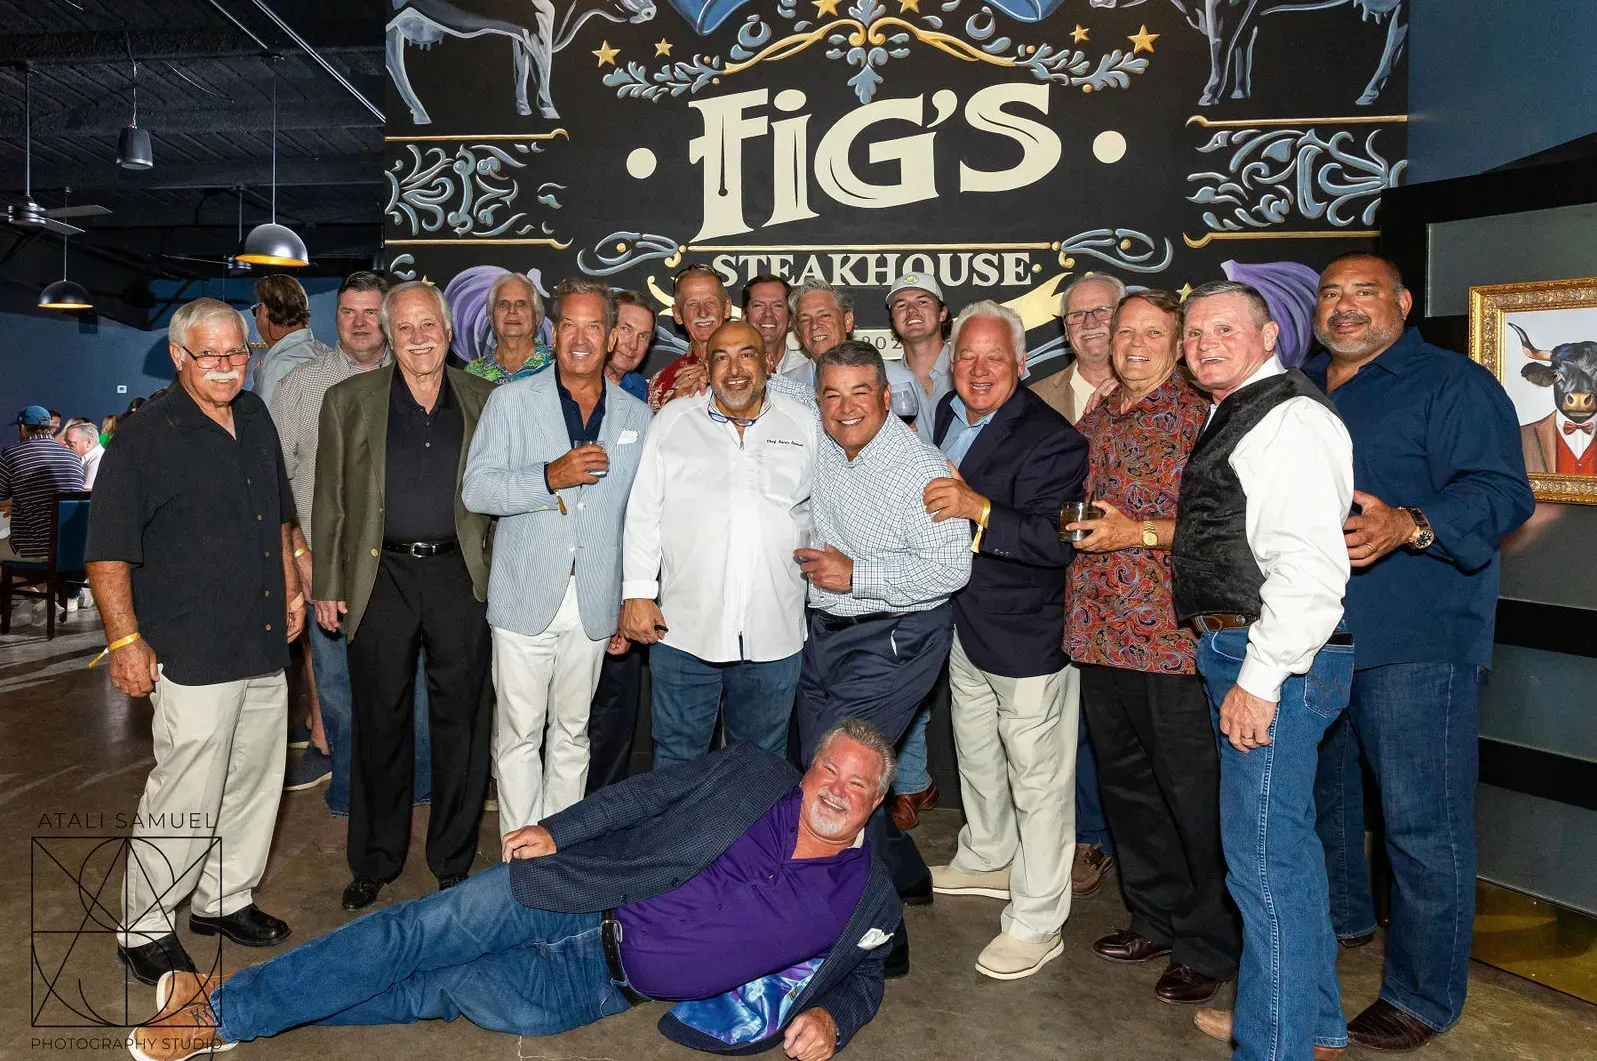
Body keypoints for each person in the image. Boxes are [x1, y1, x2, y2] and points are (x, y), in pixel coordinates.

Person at [128, 721, 901, 1061]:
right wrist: (560, 830)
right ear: (808, 769)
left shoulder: (865, 895)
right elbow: (644, 795)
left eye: (855, 784)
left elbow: (867, 971)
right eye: (827, 770)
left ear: (875, 802)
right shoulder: (754, 775)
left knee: (426, 991)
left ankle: (224, 1002)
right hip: (580, 893)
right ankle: (221, 1013)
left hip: (596, 986)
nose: (835, 789)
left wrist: (837, 1015)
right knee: (411, 935)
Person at [1302, 254, 1533, 1051]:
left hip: (1414, 637)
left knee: (1419, 824)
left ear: (1401, 302)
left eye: (1364, 292)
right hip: (1310, 633)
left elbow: (1504, 491)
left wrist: (1410, 523)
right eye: (1331, 293)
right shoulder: (1298, 389)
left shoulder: (1451, 383)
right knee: (1321, 808)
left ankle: (1423, 995)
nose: (1345, 307)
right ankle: (1339, 927)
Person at [85, 297, 301, 985]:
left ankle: (223, 898)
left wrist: (294, 587)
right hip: (193, 645)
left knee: (253, 781)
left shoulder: (257, 416)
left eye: (237, 352)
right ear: (179, 356)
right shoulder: (146, 437)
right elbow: (107, 552)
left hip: (264, 635)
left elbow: (280, 517)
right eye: (210, 354)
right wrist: (124, 642)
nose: (227, 366)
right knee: (185, 791)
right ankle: (144, 925)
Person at [1172, 281, 1355, 1061]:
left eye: (1222, 328)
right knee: (1286, 851)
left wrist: (1260, 675)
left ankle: (1271, 1044)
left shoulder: (1289, 418)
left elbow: (1310, 569)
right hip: (1250, 652)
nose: (1203, 342)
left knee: (1262, 867)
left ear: (1268, 332)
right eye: (1192, 332)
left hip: (1269, 657)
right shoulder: (1243, 410)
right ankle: (1304, 1019)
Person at [1065, 290, 1241, 1005]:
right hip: (1100, 634)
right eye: (1124, 331)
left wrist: (1133, 532)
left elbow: (1228, 523)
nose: (1134, 342)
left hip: (1170, 640)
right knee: (1127, 792)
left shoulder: (1202, 416)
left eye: (1151, 333)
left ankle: (1209, 942)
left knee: (1190, 797)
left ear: (1176, 344)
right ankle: (1154, 916)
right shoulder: (1099, 412)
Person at [313, 281, 496, 910]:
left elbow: (499, 500)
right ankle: (375, 859)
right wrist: (327, 585)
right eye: (406, 327)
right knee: (378, 720)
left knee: (462, 725)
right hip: (379, 577)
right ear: (389, 337)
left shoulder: (484, 397)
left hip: (459, 578)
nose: (419, 337)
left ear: (449, 331)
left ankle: (450, 858)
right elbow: (330, 499)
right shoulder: (348, 400)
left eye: (430, 325)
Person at [923, 301, 1087, 980]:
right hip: (962, 619)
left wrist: (979, 509)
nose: (979, 369)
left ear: (1022, 365)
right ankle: (987, 853)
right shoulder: (944, 416)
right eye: (966, 356)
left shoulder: (1055, 439)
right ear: (949, 363)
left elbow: (1056, 541)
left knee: (1038, 779)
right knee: (976, 751)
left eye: (995, 357)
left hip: (1025, 633)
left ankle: (1038, 919)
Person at [795, 340, 972, 968]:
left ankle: (878, 941)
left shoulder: (922, 470)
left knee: (837, 777)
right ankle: (906, 875)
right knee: (822, 766)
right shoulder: (823, 446)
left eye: (860, 393)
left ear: (887, 397)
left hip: (896, 637)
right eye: (831, 394)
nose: (845, 408)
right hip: (828, 633)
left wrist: (857, 573)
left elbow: (950, 569)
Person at [462, 278, 652, 835]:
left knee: (572, 735)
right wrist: (549, 477)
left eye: (593, 325)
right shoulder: (510, 401)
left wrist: (626, 599)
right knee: (517, 736)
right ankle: (518, 859)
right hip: (524, 597)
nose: (580, 337)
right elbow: (477, 491)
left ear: (613, 334)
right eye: (568, 324)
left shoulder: (635, 418)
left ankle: (558, 850)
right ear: (554, 330)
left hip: (593, 603)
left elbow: (638, 520)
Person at [269, 272, 435, 809]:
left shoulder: (419, 376)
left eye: (370, 312)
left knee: (412, 685)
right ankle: (353, 789)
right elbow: (275, 481)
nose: (360, 323)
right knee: (339, 689)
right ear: (333, 317)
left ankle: (415, 787)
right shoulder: (302, 385)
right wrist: (299, 559)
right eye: (349, 312)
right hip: (329, 566)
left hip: (401, 566)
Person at [621, 321, 815, 767]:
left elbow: (823, 511)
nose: (734, 369)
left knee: (760, 766)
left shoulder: (802, 424)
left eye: (746, 354)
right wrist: (637, 593)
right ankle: (680, 841)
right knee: (677, 760)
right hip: (685, 630)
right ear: (705, 367)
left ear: (767, 362)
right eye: (721, 358)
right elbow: (643, 511)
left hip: (775, 631)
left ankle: (747, 841)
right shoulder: (672, 421)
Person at [1030, 273, 1126, 898]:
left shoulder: (1174, 391)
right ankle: (1089, 835)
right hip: (1062, 585)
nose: (1088, 324)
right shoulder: (1037, 396)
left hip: (1145, 587)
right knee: (1080, 721)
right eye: (1075, 317)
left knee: (1137, 730)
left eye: (1101, 313)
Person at [881, 272, 953, 828]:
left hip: (971, 523)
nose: (911, 311)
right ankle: (908, 782)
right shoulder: (882, 376)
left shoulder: (974, 362)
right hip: (903, 530)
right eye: (900, 304)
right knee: (908, 656)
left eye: (922, 301)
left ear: (943, 312)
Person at [582, 286, 657, 793]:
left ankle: (601, 809)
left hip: (622, 567)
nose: (632, 342)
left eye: (645, 335)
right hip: (563, 574)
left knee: (613, 707)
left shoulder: (643, 395)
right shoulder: (556, 390)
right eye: (625, 328)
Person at [1, 406, 86, 563]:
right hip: (74, 548)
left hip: (34, 548)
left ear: (23, 427)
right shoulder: (73, 456)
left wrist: (17, 502)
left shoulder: (11, 454)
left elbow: (1, 495)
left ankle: (24, 587)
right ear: (50, 427)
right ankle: (34, 587)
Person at [647, 264, 730, 411]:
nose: (702, 313)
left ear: (727, 308)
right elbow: (655, 433)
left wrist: (716, 375)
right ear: (677, 314)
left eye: (710, 302)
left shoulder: (755, 368)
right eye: (692, 304)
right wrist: (676, 401)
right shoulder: (661, 382)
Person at [249, 275, 333, 406]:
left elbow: (265, 425)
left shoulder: (278, 368)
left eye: (255, 310)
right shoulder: (328, 354)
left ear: (264, 311)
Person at [464, 271, 553, 384]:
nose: (512, 310)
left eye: (521, 304)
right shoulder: (472, 373)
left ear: (537, 315)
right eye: (503, 304)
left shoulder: (557, 365)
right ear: (491, 316)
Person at [742, 273, 801, 375]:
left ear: (791, 318)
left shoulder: (811, 373)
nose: (768, 314)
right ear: (744, 316)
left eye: (777, 305)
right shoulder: (730, 372)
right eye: (758, 305)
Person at [605, 289, 655, 401]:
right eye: (625, 329)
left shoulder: (645, 393)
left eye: (643, 336)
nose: (633, 345)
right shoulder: (570, 381)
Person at [63, 420, 104, 489]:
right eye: (66, 443)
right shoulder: (88, 457)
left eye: (71, 444)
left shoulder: (98, 458)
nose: (66, 447)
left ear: (89, 442)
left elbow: (88, 491)